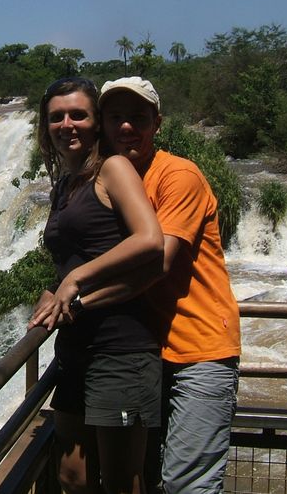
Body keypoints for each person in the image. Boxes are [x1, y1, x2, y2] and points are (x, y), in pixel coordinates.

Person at [89, 76, 242, 494]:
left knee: (186, 486)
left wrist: (78, 299)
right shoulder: (105, 179)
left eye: (138, 118)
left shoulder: (178, 176)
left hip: (200, 349)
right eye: (116, 117)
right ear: (101, 123)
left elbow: (158, 263)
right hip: (148, 352)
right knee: (147, 477)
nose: (126, 127)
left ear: (157, 123)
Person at [27, 77, 165, 494]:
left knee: (122, 481)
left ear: (97, 123)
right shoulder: (66, 184)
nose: (67, 124)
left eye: (78, 115)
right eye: (56, 117)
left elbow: (149, 239)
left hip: (120, 348)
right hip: (74, 347)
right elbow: (75, 251)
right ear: (45, 126)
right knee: (72, 476)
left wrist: (76, 278)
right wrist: (54, 289)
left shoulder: (113, 168)